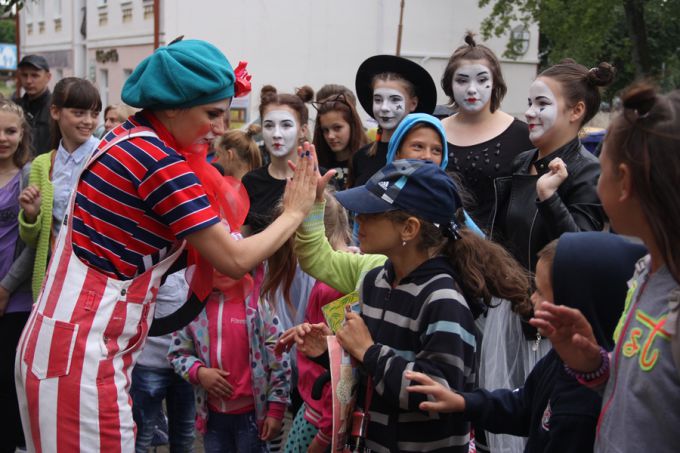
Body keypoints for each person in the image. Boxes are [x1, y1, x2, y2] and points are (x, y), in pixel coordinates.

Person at [14, 38, 317, 452]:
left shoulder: (125, 136)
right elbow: (234, 259)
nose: (219, 128)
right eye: (211, 114)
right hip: (83, 357)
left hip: (65, 347)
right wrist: (295, 213)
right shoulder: (159, 161)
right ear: (172, 105)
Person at [285, 160, 529, 452]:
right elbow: (369, 374)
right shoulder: (375, 282)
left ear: (409, 229)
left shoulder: (443, 299)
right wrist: (331, 351)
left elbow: (436, 397)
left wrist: (368, 351)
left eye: (371, 213)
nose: (357, 219)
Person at [530, 83, 680, 453]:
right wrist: (595, 366)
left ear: (624, 182)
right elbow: (645, 393)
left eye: (604, 172)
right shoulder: (646, 271)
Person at [406, 232, 647, 453]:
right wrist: (463, 402)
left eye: (542, 292)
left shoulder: (581, 408)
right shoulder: (563, 361)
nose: (532, 298)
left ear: (576, 303)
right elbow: (524, 404)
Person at [168, 266, 291, 452]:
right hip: (213, 418)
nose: (220, 268)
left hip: (252, 416)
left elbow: (280, 356)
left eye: (226, 262)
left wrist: (276, 409)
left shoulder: (259, 307)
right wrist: (200, 373)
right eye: (213, 262)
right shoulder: (194, 308)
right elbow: (177, 353)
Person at [18, 77, 102, 300]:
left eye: (94, 114)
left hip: (94, 277)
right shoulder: (42, 164)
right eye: (78, 113)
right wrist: (31, 215)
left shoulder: (106, 157)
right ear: (55, 112)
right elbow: (34, 240)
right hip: (53, 275)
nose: (88, 121)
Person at [441, 33, 534, 231]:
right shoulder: (434, 132)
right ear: (449, 84)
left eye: (482, 80)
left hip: (499, 254)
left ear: (495, 83)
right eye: (462, 80)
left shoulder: (523, 136)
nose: (472, 89)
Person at [284, 190, 352, 453]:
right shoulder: (351, 269)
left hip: (322, 418)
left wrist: (325, 433)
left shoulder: (333, 288)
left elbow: (339, 368)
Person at [130, 271, 196, 453]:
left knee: (185, 438)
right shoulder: (154, 260)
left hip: (188, 366)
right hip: (148, 363)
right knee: (139, 439)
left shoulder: (199, 262)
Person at [0, 99, 34, 453]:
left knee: (10, 383)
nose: (3, 138)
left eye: (10, 131)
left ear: (22, 134)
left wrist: (6, 287)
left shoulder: (27, 176)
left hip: (17, 296)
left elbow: (33, 241)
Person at [351, 55, 437, 187]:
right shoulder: (361, 157)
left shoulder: (422, 157)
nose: (384, 108)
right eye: (378, 100)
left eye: (395, 100)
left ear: (413, 104)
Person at [242, 85, 314, 233]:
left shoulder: (316, 179)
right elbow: (244, 235)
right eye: (269, 125)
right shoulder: (251, 181)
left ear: (302, 130)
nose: (276, 134)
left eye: (286, 125)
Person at [311, 91, 368, 190]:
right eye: (325, 130)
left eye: (337, 128)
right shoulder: (316, 163)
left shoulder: (368, 160)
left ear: (352, 126)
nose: (330, 136)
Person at [16, 54, 52, 156]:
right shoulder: (14, 108)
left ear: (48, 77)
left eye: (34, 75)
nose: (28, 81)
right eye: (24, 75)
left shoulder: (57, 109)